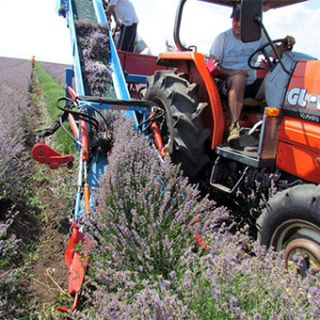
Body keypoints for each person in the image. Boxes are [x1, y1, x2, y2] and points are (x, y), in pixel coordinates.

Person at [210, 4, 295, 145]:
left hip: (251, 84)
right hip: (227, 83)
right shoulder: (223, 38)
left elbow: (274, 53)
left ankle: (277, 126)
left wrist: (285, 45)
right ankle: (234, 126)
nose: (237, 24)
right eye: (235, 20)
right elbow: (212, 66)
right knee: (239, 78)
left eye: (241, 21)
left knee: (276, 79)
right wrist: (235, 72)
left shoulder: (259, 37)